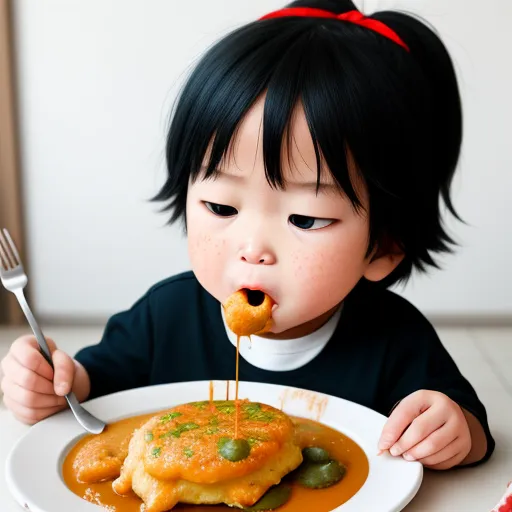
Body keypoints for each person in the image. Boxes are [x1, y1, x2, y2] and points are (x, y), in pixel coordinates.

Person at [0, 0, 495, 469]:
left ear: (385, 245)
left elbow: (472, 435)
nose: (252, 247)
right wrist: (50, 382)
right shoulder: (165, 317)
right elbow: (91, 388)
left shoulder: (395, 341)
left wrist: (451, 432)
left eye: (304, 219)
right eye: (220, 206)